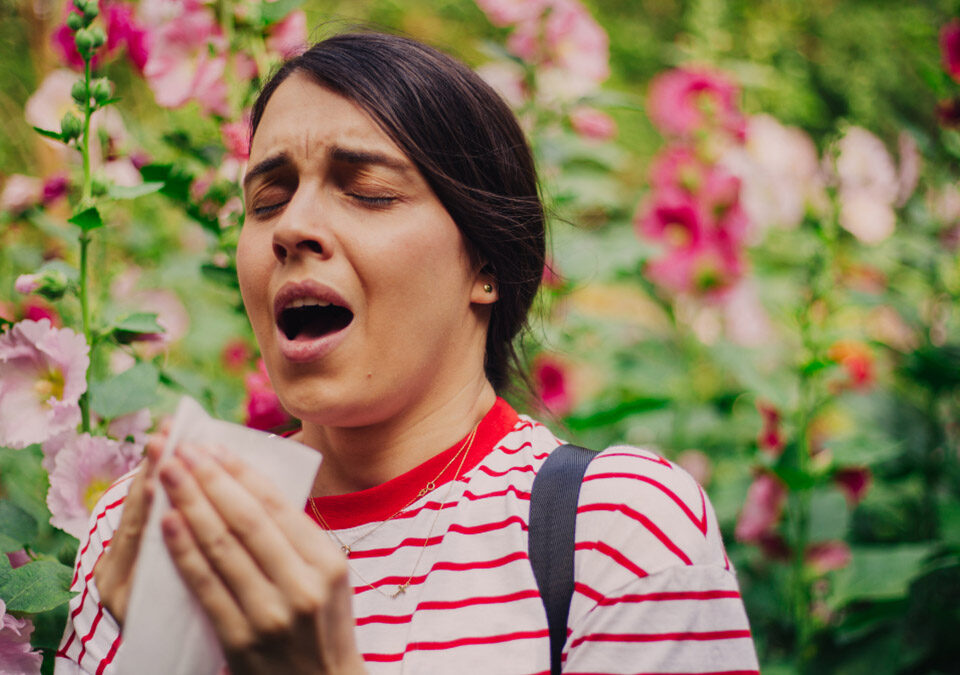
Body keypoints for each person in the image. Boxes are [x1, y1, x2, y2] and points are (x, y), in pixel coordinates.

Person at [55, 31, 760, 675]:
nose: (292, 226)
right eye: (267, 200)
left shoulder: (616, 535)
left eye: (366, 191)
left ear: (485, 262)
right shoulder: (147, 530)